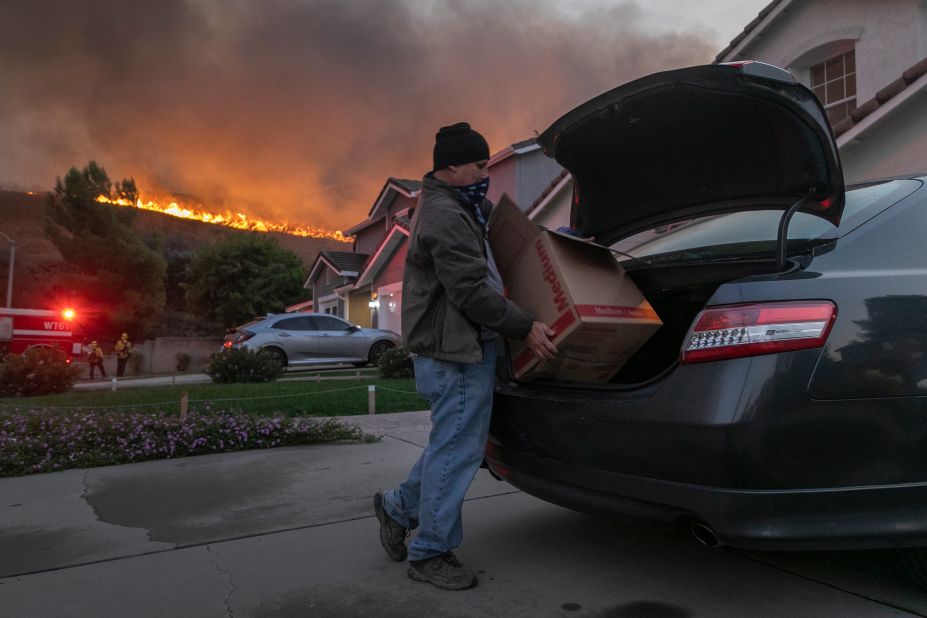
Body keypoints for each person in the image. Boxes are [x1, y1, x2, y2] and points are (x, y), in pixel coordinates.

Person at [374, 122, 557, 591]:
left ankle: (397, 508)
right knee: (457, 450)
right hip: (454, 352)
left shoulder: (463, 206)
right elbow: (472, 292)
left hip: (467, 346)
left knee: (455, 447)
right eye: (479, 164)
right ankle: (431, 549)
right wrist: (525, 326)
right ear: (451, 166)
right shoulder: (444, 216)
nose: (485, 173)